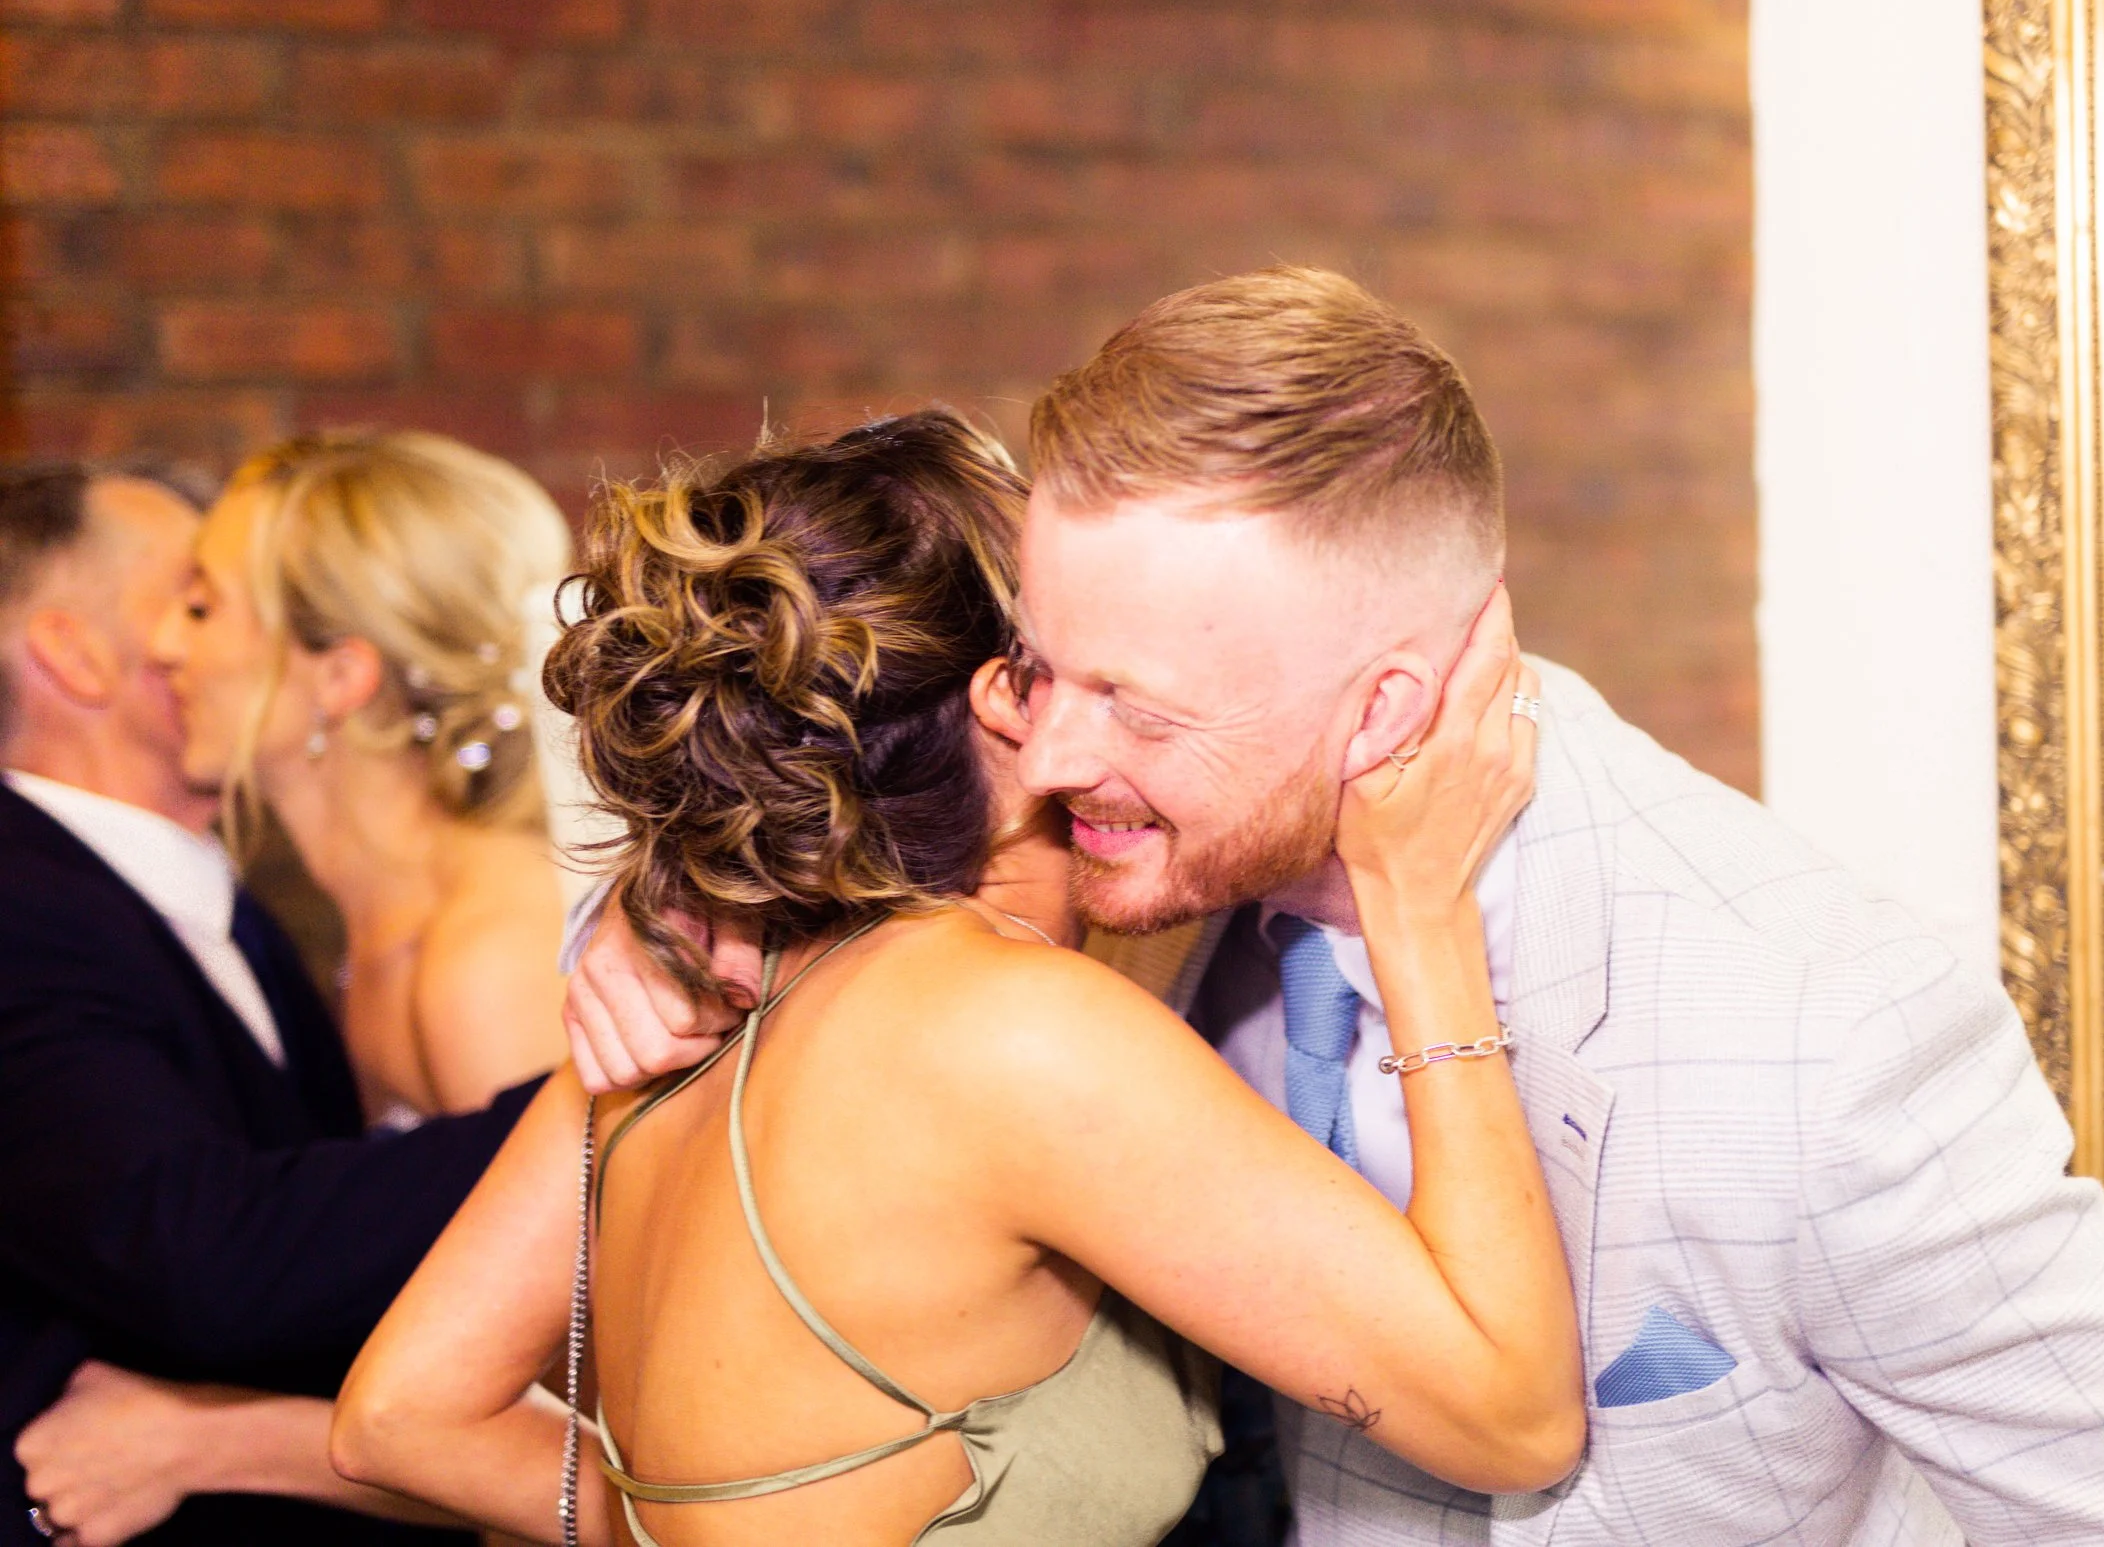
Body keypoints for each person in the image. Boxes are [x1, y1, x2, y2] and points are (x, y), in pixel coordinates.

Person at [569, 268, 2104, 1545]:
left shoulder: (1818, 1032)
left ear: (1388, 713)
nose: (1041, 747)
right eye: (1041, 663)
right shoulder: (1148, 888)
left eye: (1138, 708)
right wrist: (666, 906)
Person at [331, 411, 1582, 1546]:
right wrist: (1420, 915)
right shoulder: (1011, 1034)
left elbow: (398, 1416)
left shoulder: (684, 1008)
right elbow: (1511, 1419)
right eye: (1072, 652)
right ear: (1004, 703)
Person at [0, 460, 533, 1546]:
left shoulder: (450, 940)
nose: (183, 643)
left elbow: (577, 1392)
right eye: (178, 596)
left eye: (212, 602)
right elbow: (199, 1249)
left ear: (340, 672)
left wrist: (616, 1115)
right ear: (71, 652)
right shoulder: (36, 906)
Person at [152, 430, 575, 1123]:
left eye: (203, 606)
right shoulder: (388, 916)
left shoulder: (489, 964)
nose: (166, 644)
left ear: (342, 676)